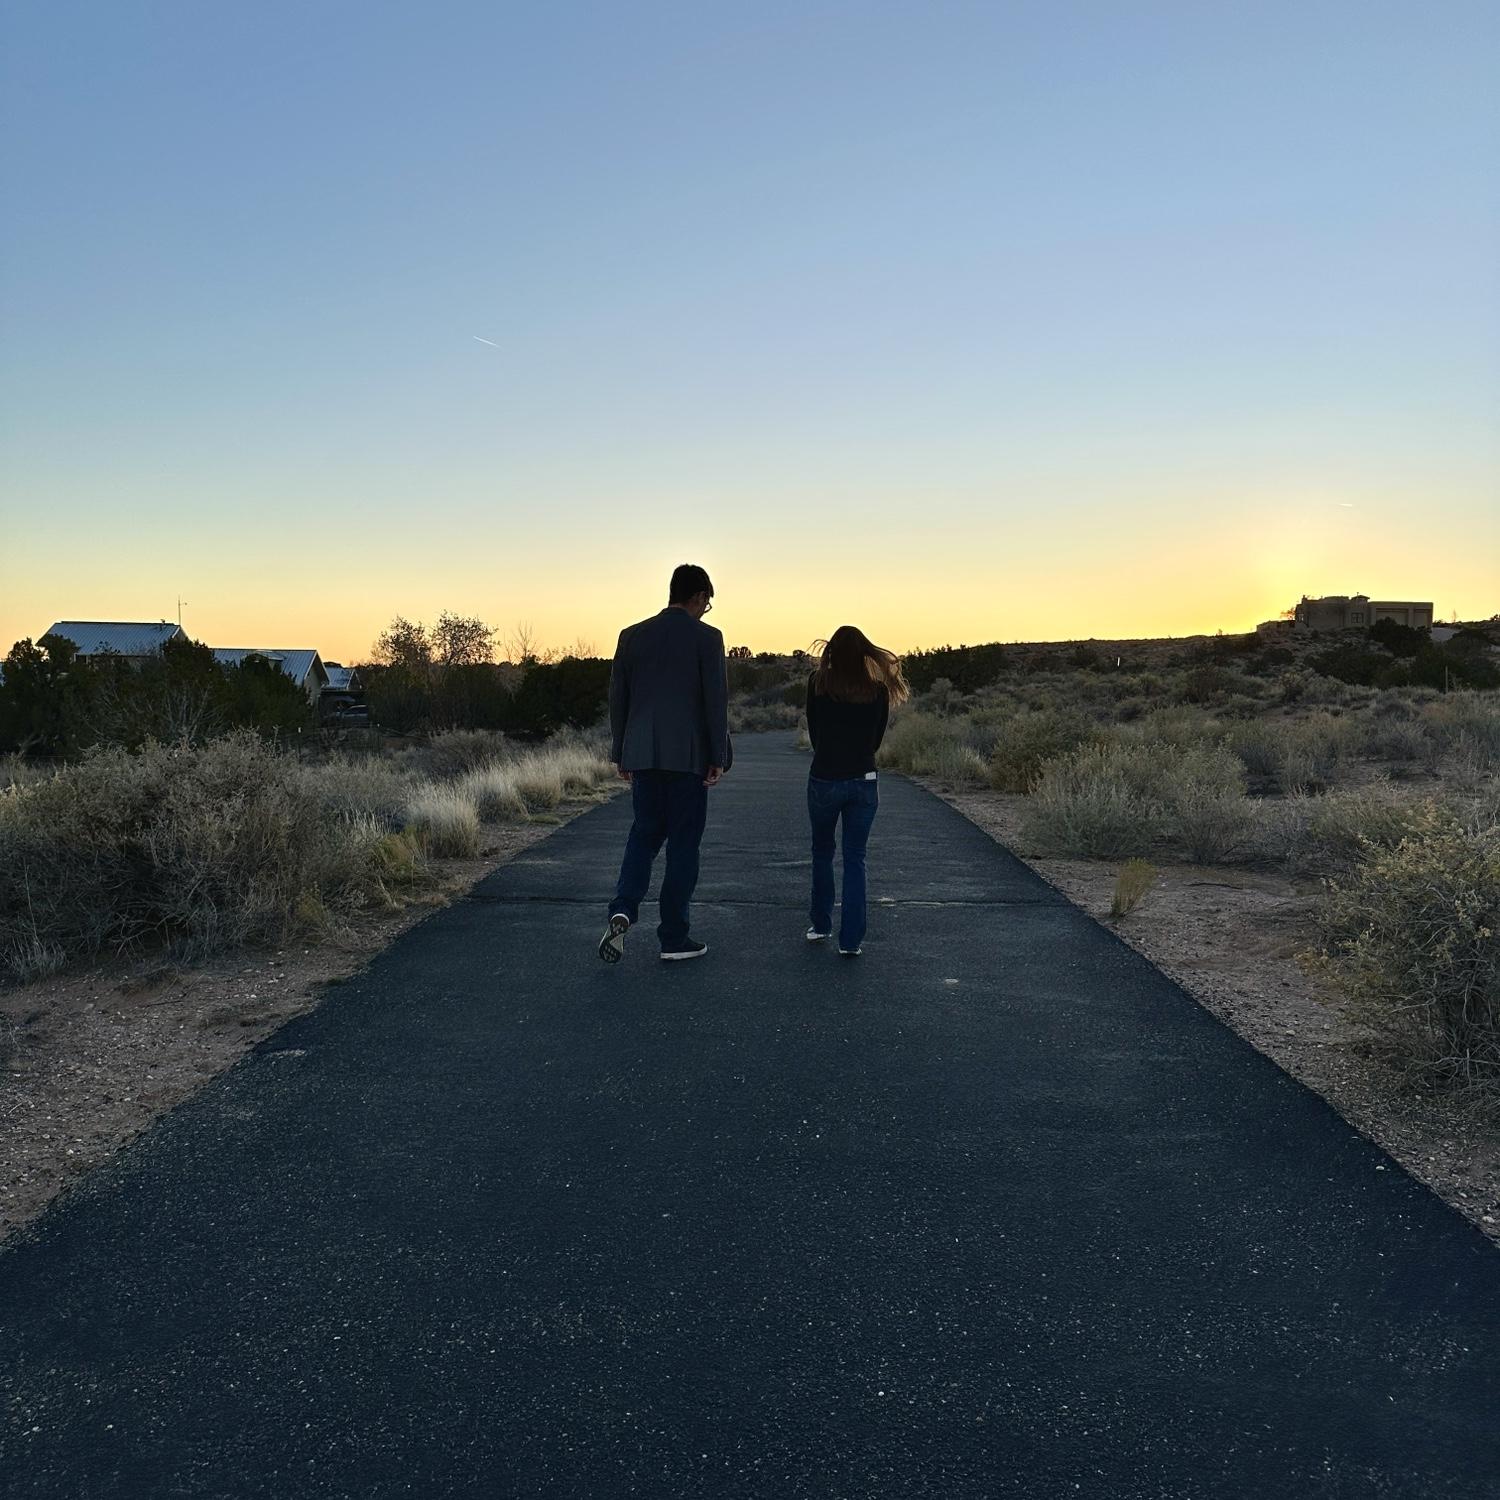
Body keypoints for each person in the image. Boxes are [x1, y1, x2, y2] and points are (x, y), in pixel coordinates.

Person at [599, 564, 730, 963]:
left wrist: (622, 751)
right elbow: (715, 701)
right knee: (683, 847)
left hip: (643, 755)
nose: (705, 610)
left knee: (643, 836)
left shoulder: (632, 635)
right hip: (688, 758)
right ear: (699, 596)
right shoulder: (707, 638)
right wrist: (718, 756)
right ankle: (673, 937)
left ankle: (623, 908)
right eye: (706, 603)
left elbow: (618, 698)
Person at [804, 627, 909, 956]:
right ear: (864, 653)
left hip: (825, 777)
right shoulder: (877, 690)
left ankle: (821, 925)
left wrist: (828, 754)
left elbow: (814, 731)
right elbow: (876, 740)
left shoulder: (818, 684)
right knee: (855, 858)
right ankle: (850, 941)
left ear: (832, 651)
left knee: (822, 852)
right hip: (863, 780)